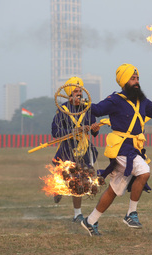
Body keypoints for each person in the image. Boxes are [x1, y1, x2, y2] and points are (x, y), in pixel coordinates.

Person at [81, 63, 152, 236]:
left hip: (134, 148)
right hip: (121, 148)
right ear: (124, 81)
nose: (136, 82)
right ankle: (130, 214)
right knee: (144, 171)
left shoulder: (141, 100)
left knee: (114, 190)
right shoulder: (115, 100)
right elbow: (96, 109)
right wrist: (82, 103)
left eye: (137, 79)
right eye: (132, 79)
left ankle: (90, 220)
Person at [51, 76, 100, 223]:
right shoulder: (63, 110)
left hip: (84, 150)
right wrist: (74, 130)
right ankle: (58, 188)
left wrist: (95, 129)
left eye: (80, 91)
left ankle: (77, 214)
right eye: (76, 91)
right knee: (70, 179)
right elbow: (55, 132)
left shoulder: (87, 108)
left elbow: (94, 131)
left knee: (81, 182)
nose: (79, 94)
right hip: (67, 150)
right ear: (69, 94)